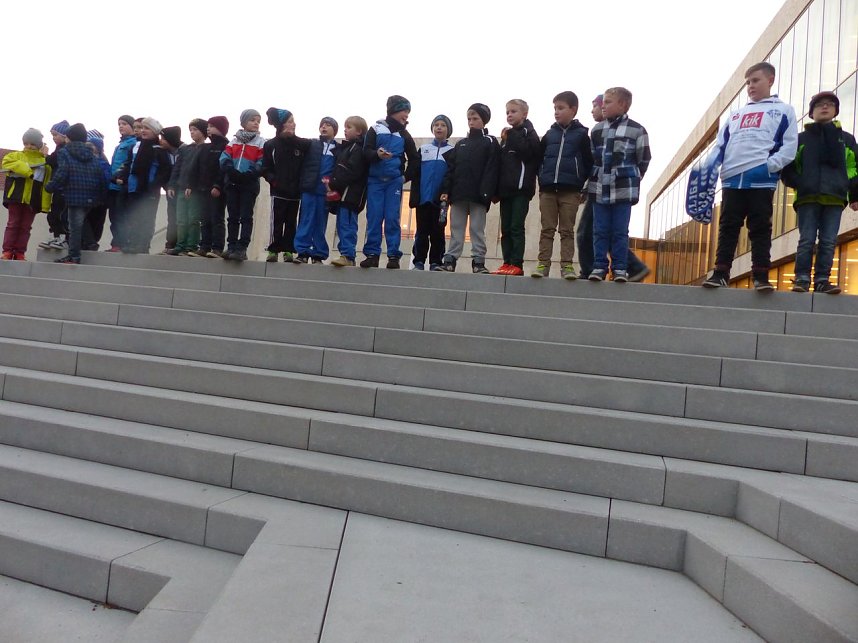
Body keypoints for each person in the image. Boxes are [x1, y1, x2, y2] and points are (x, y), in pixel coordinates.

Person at [703, 62, 798, 290]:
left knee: (760, 227)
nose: (750, 86)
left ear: (770, 80)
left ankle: (761, 276)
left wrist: (770, 166)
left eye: (755, 80)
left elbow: (790, 145)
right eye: (747, 82)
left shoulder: (784, 110)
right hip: (732, 179)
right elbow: (720, 146)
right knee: (728, 226)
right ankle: (720, 273)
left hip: (761, 178)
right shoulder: (735, 115)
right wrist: (710, 168)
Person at [781, 91, 858, 294]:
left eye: (830, 104)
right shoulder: (801, 139)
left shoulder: (847, 139)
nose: (825, 107)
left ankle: (823, 280)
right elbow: (788, 168)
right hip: (807, 197)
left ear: (835, 111)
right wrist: (801, 183)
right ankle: (802, 279)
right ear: (811, 113)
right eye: (819, 105)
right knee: (806, 239)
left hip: (835, 196)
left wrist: (853, 193)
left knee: (828, 240)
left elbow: (854, 167)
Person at [577, 95, 650, 281]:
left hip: (621, 188)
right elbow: (593, 159)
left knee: (607, 230)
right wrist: (588, 185)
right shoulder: (597, 131)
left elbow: (643, 158)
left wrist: (632, 177)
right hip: (599, 187)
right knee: (598, 230)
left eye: (601, 104)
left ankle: (620, 267)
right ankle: (598, 267)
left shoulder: (635, 130)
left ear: (622, 105)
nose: (598, 108)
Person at [439, 103, 499, 273]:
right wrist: (446, 191)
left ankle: (478, 261)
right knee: (456, 227)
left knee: (477, 229)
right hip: (458, 194)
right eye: (469, 119)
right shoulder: (461, 144)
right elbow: (451, 169)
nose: (471, 122)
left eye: (475, 118)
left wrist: (487, 193)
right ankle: (450, 259)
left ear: (484, 121)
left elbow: (492, 169)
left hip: (479, 195)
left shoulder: (490, 142)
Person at [361, 95, 419, 269]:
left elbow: (414, 159)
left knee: (392, 218)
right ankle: (372, 254)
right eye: (404, 111)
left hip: (394, 182)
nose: (407, 115)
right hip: (375, 181)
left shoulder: (404, 134)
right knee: (374, 217)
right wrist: (376, 155)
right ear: (393, 110)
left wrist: (404, 178)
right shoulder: (376, 128)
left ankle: (394, 255)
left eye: (408, 112)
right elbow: (365, 152)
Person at [44, 123, 108, 264]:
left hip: (74, 195)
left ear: (69, 138)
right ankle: (88, 245)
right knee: (79, 223)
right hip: (91, 195)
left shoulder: (65, 152)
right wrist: (102, 195)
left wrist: (50, 186)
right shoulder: (91, 153)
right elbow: (99, 174)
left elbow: (63, 172)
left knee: (73, 227)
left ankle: (74, 256)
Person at [494, 99, 540, 276]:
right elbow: (501, 164)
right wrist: (497, 191)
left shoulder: (529, 132)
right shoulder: (507, 137)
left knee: (516, 226)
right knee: (505, 228)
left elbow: (529, 153)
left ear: (524, 114)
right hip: (506, 191)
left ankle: (516, 263)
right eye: (507, 112)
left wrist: (511, 136)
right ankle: (506, 262)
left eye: (513, 111)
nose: (509, 115)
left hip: (521, 190)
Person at [263, 108, 309, 263]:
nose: (293, 124)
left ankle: (289, 250)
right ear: (281, 125)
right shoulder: (271, 145)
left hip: (295, 192)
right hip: (278, 192)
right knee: (277, 221)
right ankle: (273, 250)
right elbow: (265, 167)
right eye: (290, 121)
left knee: (291, 222)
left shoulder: (302, 144)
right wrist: (274, 180)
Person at [220, 109, 265, 261]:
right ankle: (231, 245)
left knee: (246, 216)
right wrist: (230, 171)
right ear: (244, 122)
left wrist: (250, 174)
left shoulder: (260, 142)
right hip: (232, 183)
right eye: (252, 120)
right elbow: (224, 158)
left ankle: (242, 247)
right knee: (232, 216)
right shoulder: (234, 141)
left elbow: (261, 162)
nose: (256, 123)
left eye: (258, 121)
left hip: (249, 184)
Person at [409, 115, 453, 271]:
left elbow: (452, 176)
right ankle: (419, 261)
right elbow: (415, 172)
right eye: (436, 125)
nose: (439, 128)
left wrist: (447, 194)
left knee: (438, 232)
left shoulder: (452, 151)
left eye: (443, 125)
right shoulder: (424, 149)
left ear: (448, 130)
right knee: (421, 231)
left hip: (440, 200)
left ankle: (436, 261)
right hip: (423, 198)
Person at [2, 128, 52, 260]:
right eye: (26, 143)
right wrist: (28, 171)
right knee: (12, 224)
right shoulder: (15, 156)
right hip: (15, 197)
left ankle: (20, 252)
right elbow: (7, 162)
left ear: (39, 145)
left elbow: (46, 184)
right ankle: (7, 251)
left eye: (33, 144)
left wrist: (45, 205)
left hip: (33, 200)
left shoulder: (45, 163)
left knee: (25, 227)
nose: (29, 146)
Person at [294, 117, 338, 263]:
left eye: (328, 125)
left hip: (325, 192)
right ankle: (302, 252)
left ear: (335, 130)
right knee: (306, 220)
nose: (324, 127)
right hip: (310, 189)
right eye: (322, 125)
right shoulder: (312, 144)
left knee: (320, 222)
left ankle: (318, 254)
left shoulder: (338, 149)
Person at [124, 117, 171, 253]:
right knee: (134, 217)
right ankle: (132, 243)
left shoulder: (159, 150)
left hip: (149, 190)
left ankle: (142, 245)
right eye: (142, 128)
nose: (143, 131)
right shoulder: (138, 147)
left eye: (147, 128)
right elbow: (131, 167)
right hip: (134, 188)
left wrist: (154, 185)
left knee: (146, 219)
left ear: (155, 131)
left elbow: (164, 170)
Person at [328, 116, 370, 267]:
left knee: (347, 225)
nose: (345, 130)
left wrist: (334, 183)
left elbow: (351, 170)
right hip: (344, 195)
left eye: (349, 127)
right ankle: (345, 253)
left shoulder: (357, 149)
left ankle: (348, 254)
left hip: (351, 195)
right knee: (342, 224)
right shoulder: (347, 148)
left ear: (359, 131)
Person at [189, 116, 229, 258]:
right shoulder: (204, 147)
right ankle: (204, 246)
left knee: (216, 218)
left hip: (217, 190)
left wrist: (218, 185)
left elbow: (223, 169)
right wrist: (191, 185)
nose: (208, 128)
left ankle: (217, 247)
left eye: (212, 126)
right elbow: (195, 168)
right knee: (204, 218)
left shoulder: (226, 146)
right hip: (202, 189)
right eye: (208, 126)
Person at [168, 118, 208, 255]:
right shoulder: (186, 149)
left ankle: (191, 245)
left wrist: (192, 185)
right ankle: (180, 245)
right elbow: (177, 168)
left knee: (193, 218)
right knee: (181, 219)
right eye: (190, 130)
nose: (192, 132)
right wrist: (172, 185)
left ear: (203, 131)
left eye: (195, 129)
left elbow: (201, 171)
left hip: (195, 190)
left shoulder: (206, 148)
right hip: (181, 187)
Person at [105, 115, 137, 252]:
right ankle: (116, 244)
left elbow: (127, 165)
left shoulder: (133, 144)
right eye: (119, 124)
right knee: (114, 217)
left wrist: (120, 177)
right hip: (113, 186)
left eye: (124, 123)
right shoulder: (120, 145)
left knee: (121, 217)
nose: (121, 126)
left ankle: (121, 243)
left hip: (122, 186)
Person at [40, 120, 70, 251]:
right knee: (53, 213)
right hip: (57, 187)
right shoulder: (59, 148)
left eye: (55, 135)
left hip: (62, 187)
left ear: (64, 136)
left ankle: (62, 237)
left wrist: (44, 155)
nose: (53, 138)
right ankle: (56, 236)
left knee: (60, 213)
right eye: (52, 135)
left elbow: (52, 160)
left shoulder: (64, 149)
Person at [159, 125, 185, 253]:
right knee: (172, 218)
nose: (160, 141)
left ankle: (182, 245)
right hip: (170, 192)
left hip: (183, 191)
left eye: (163, 138)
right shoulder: (163, 153)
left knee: (183, 218)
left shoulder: (185, 151)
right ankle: (170, 244)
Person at [84, 130, 111, 249]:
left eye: (93, 146)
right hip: (87, 198)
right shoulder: (83, 162)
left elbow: (106, 179)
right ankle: (90, 242)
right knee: (86, 220)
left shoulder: (104, 164)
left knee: (97, 223)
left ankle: (93, 242)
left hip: (100, 199)